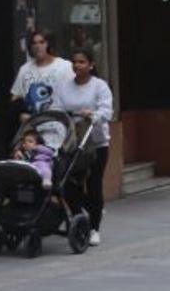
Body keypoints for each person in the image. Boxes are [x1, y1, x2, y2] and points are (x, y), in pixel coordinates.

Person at [59, 47, 113, 246]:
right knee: (67, 183)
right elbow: (58, 108)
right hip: (72, 142)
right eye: (74, 62)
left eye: (81, 62)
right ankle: (81, 216)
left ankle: (94, 228)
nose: (77, 65)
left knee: (93, 184)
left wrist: (92, 115)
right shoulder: (64, 87)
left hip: (96, 142)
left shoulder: (100, 86)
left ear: (91, 65)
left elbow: (107, 111)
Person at [10, 29, 74, 116]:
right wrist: (21, 113)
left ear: (49, 44)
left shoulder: (65, 67)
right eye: (34, 43)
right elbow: (16, 96)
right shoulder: (25, 69)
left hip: (58, 120)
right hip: (32, 122)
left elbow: (75, 93)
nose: (37, 46)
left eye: (41, 42)